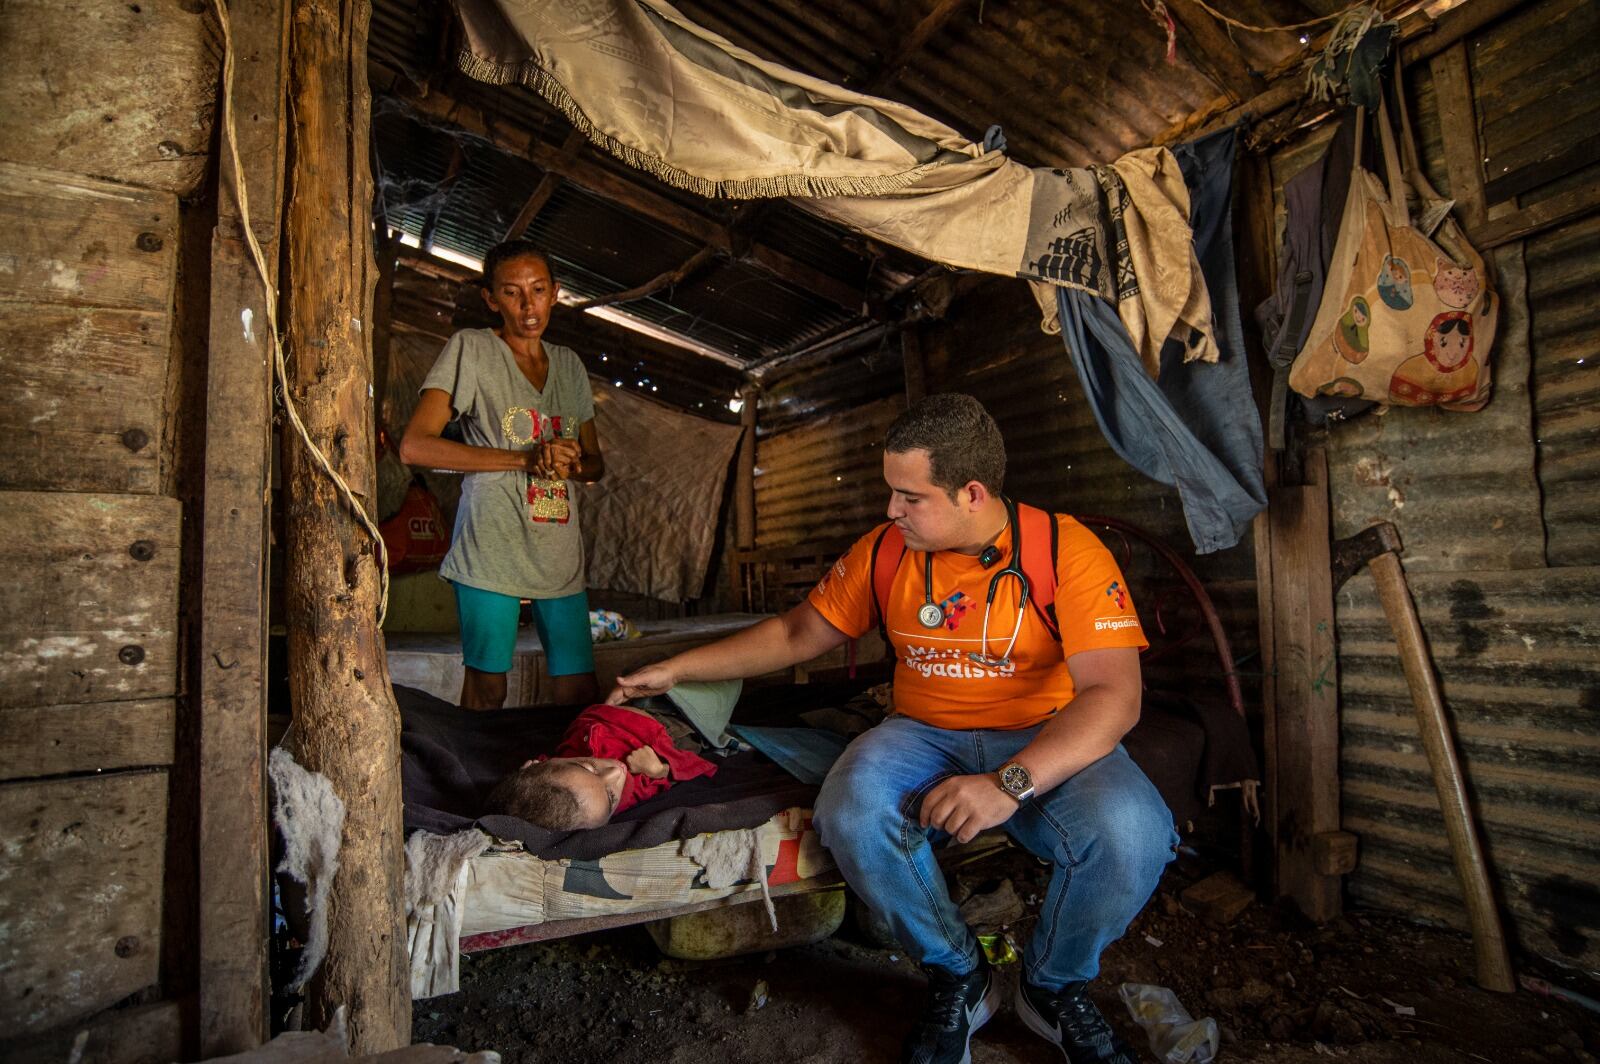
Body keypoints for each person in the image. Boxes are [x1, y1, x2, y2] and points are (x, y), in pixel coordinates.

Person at [609, 394, 1175, 1064]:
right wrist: (675, 668)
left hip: (1043, 734)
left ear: (970, 492)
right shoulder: (885, 553)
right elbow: (797, 633)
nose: (890, 511)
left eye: (909, 496)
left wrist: (1006, 783)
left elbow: (1114, 696)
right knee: (850, 809)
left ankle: (1052, 985)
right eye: (890, 493)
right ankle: (959, 972)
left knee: (1135, 834)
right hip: (922, 733)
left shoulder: (1065, 551)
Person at [400, 240, 605, 709]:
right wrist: (523, 459)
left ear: (556, 293)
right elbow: (416, 446)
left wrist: (571, 460)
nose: (527, 305)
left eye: (537, 290)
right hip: (491, 544)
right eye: (512, 293)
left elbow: (595, 465)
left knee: (578, 690)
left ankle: (563, 782)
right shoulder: (471, 349)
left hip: (557, 547)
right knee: (489, 686)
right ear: (491, 299)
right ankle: (478, 781)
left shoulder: (570, 365)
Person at [484, 703, 719, 830]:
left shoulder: (551, 770)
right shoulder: (632, 792)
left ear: (535, 764)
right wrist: (658, 770)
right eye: (610, 797)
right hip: (674, 724)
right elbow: (699, 767)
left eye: (588, 767)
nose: (617, 772)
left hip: (627, 702)